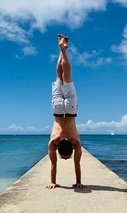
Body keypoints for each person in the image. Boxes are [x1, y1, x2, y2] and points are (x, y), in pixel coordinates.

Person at [46, 34, 86, 189]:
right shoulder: (53, 142)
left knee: (66, 76)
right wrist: (53, 181)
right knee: (59, 76)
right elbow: (54, 165)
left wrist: (78, 181)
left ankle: (63, 50)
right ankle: (61, 49)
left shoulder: (75, 142)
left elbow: (76, 164)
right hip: (57, 110)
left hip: (70, 110)